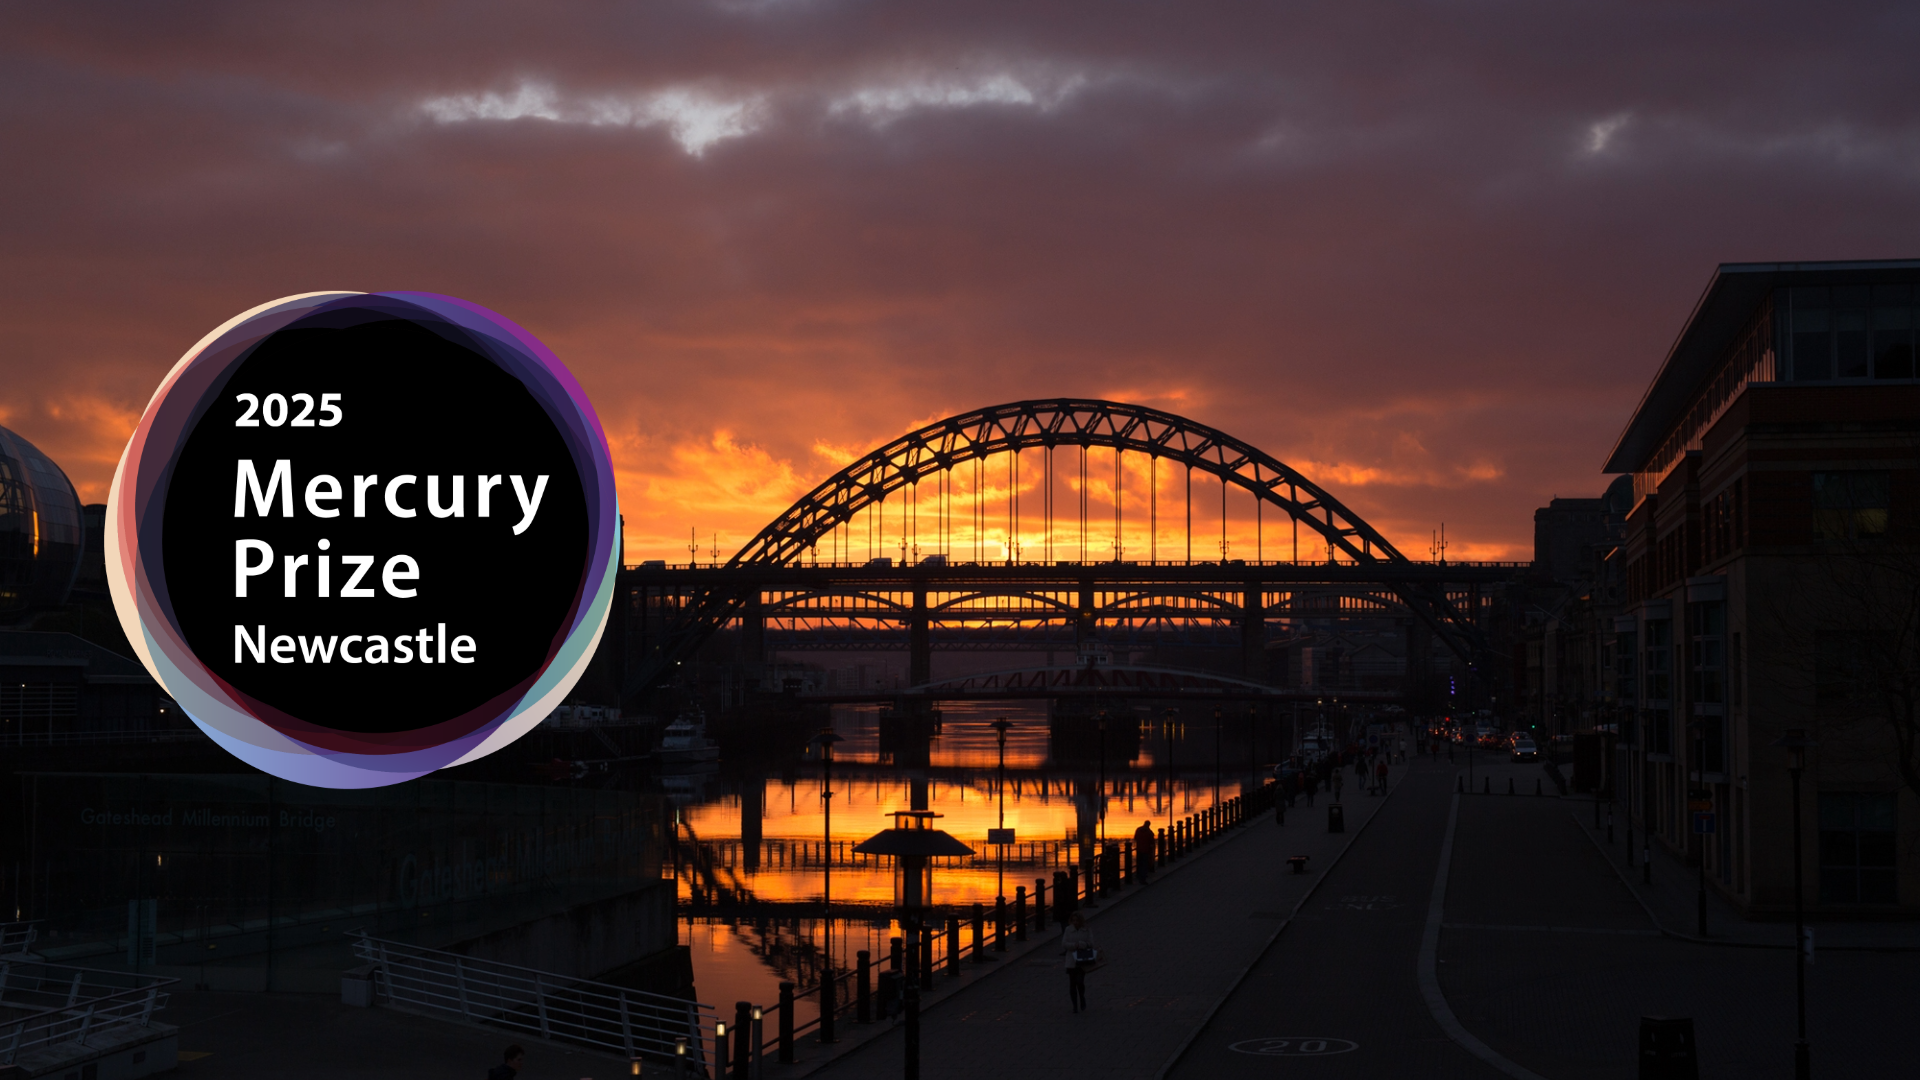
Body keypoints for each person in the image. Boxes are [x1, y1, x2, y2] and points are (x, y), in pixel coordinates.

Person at [1061, 911, 1097, 1013]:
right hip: (1071, 960)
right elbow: (1064, 944)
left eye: (1077, 920)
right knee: (1072, 983)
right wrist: (1074, 946)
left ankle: (1081, 997)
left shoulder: (1086, 929)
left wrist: (1081, 944)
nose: (1075, 922)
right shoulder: (1068, 930)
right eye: (1073, 920)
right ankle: (1075, 1005)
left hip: (1082, 959)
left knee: (1080, 982)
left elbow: (1091, 943)